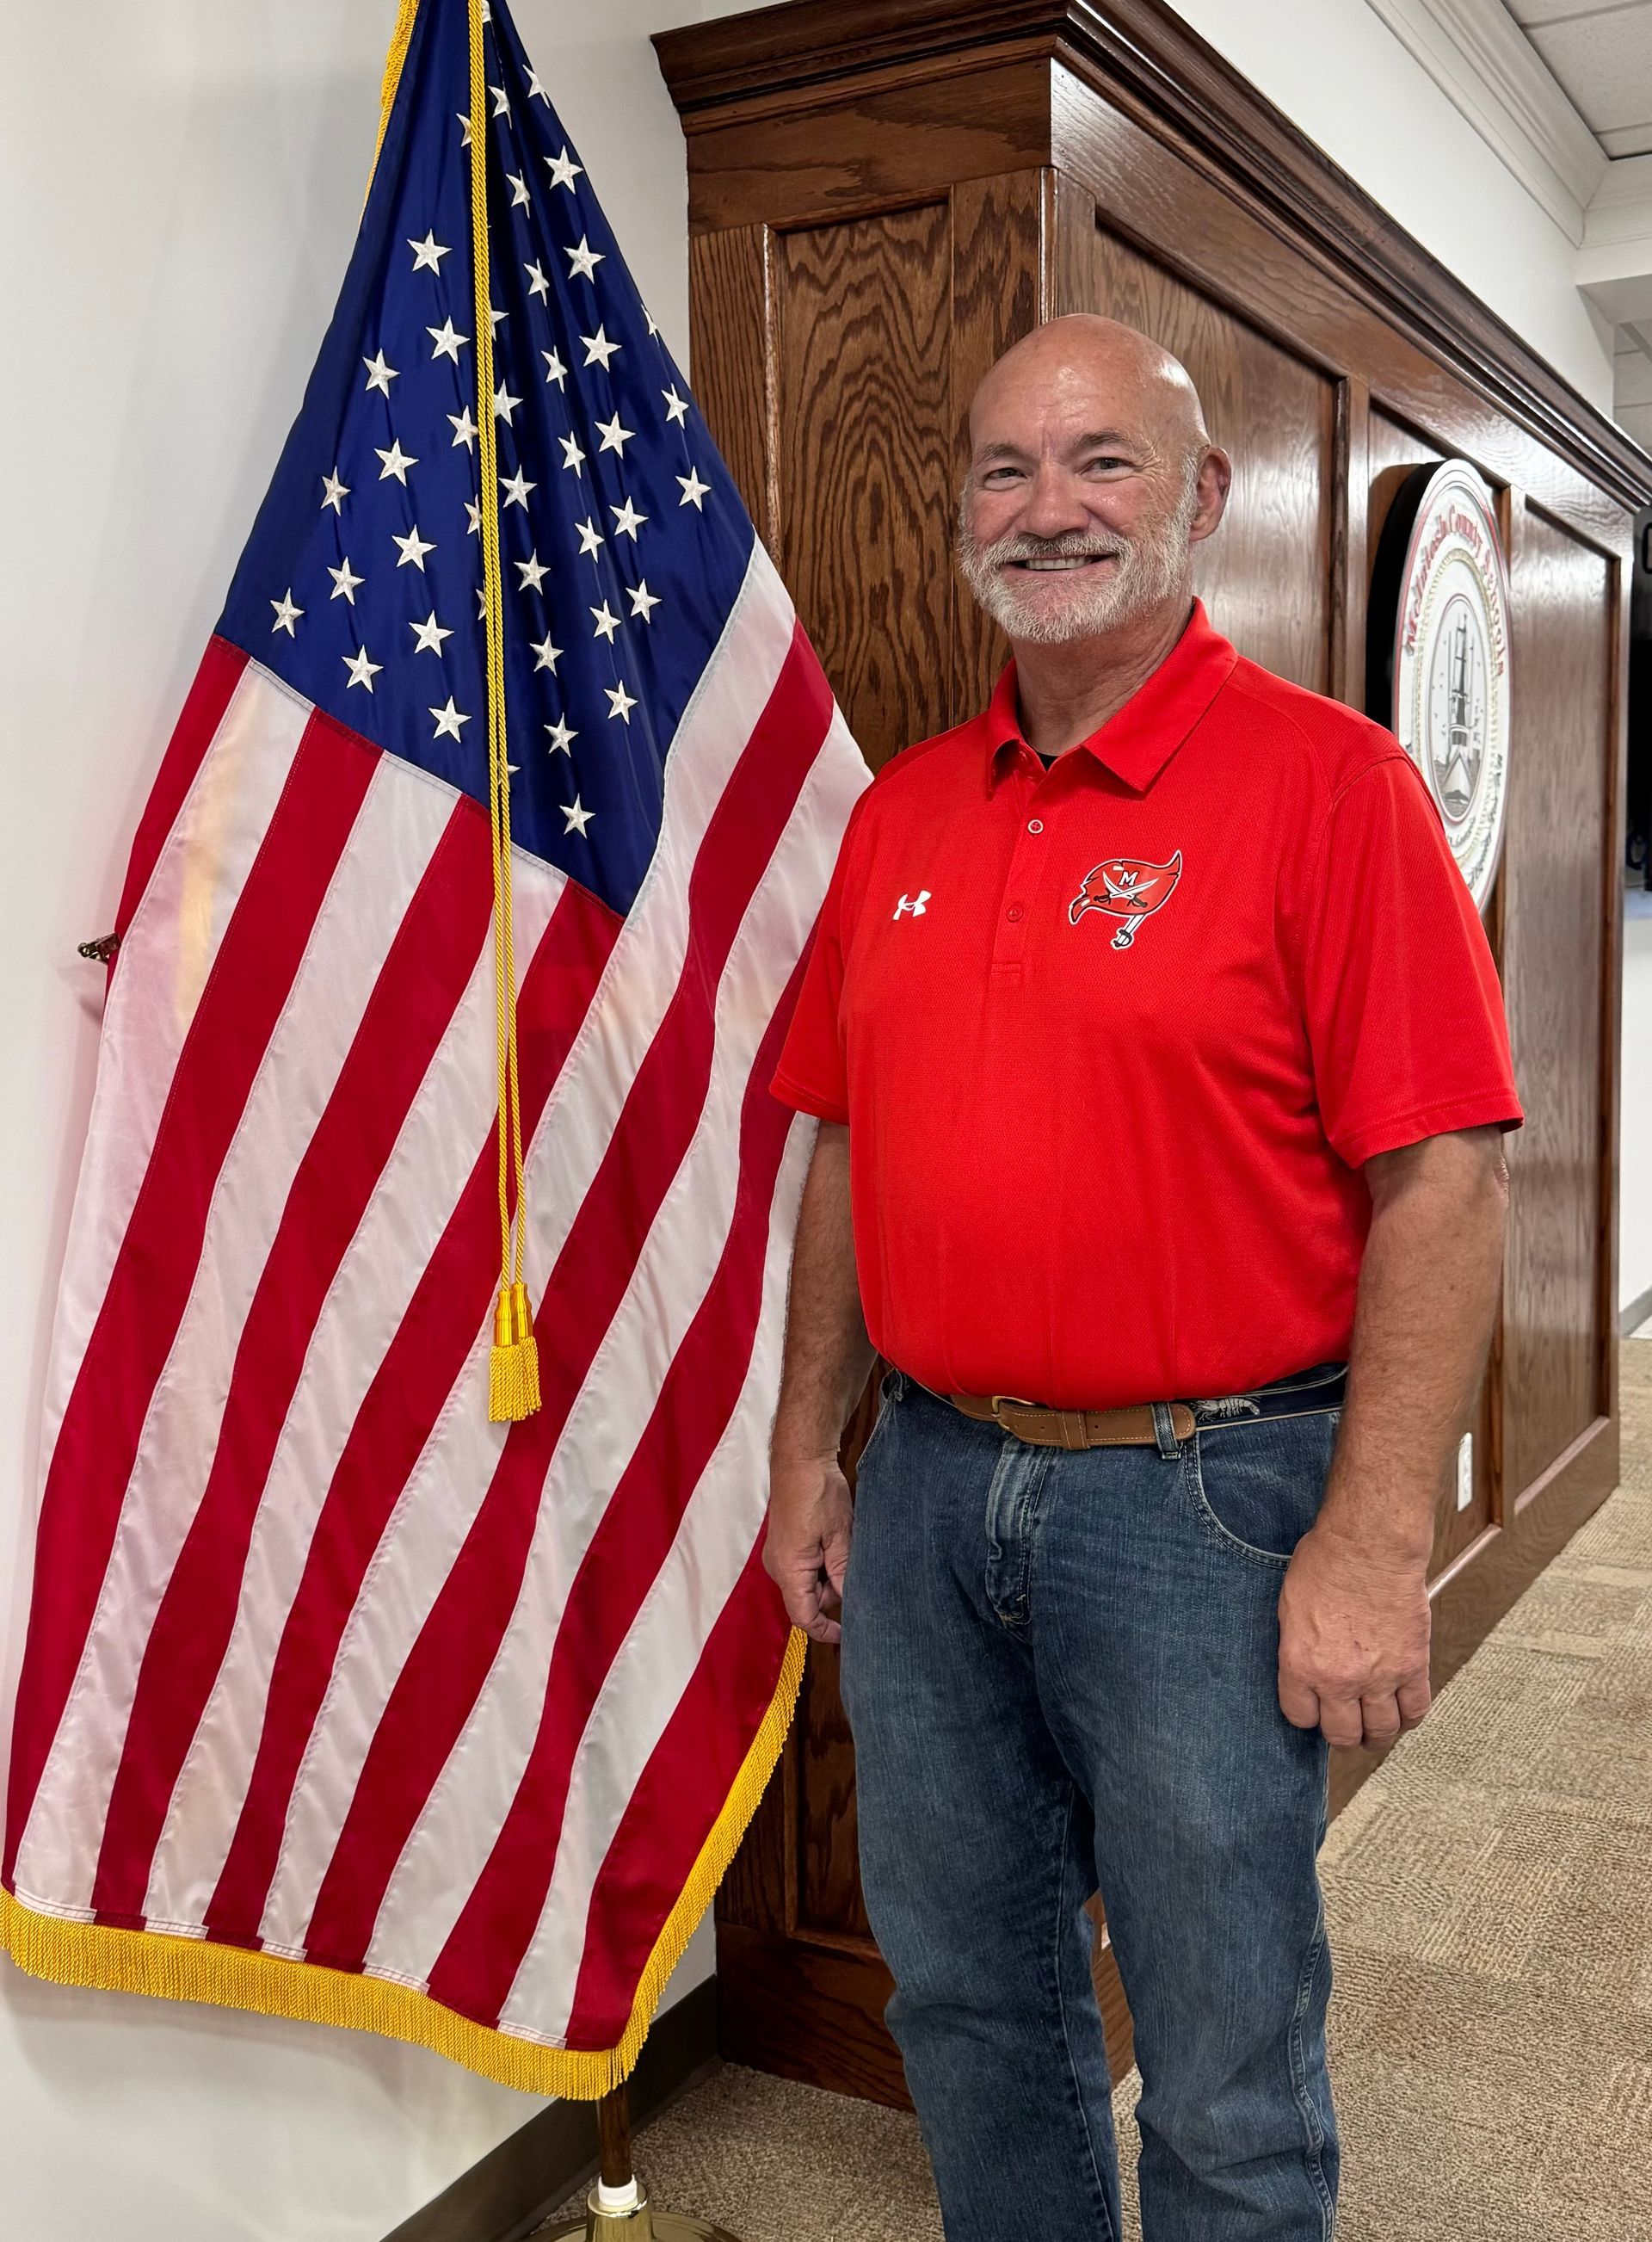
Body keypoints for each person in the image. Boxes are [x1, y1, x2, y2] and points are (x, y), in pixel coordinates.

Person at [762, 315, 1523, 2241]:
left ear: (1199, 497)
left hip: (1209, 1503)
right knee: (964, 1993)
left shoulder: (1334, 792)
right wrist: (807, 1447)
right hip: (932, 1487)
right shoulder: (901, 817)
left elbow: (1442, 1181)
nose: (1048, 508)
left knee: (1221, 2051)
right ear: (963, 525)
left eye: (1099, 461)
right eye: (1004, 470)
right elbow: (845, 1145)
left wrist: (1368, 1543)